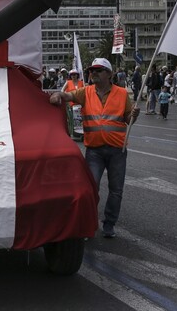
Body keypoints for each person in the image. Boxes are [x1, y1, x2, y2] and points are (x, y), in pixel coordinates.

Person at [50, 58, 140, 238]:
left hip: (117, 150)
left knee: (116, 190)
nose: (94, 73)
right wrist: (58, 95)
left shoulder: (122, 94)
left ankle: (109, 224)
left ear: (109, 74)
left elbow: (128, 119)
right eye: (92, 70)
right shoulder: (86, 92)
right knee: (90, 189)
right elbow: (67, 96)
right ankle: (88, 223)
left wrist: (134, 115)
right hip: (94, 151)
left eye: (98, 70)